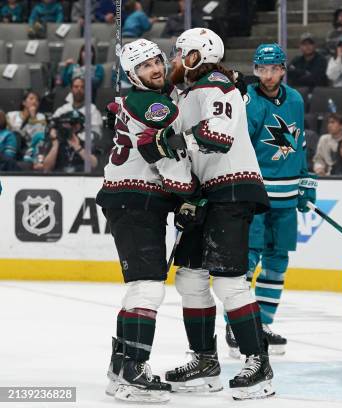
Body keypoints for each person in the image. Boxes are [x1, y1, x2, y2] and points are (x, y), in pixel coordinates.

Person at [140, 29, 274, 400]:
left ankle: (258, 364)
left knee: (229, 281)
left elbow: (218, 137)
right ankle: (204, 361)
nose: (174, 60)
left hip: (231, 190)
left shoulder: (215, 85)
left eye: (180, 54)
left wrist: (171, 141)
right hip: (208, 194)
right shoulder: (188, 92)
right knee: (190, 278)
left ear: (197, 56)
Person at [96, 39, 198, 403]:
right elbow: (168, 147)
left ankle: (121, 368)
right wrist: (191, 192)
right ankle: (134, 374)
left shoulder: (140, 100)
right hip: (135, 200)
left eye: (157, 61)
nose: (155, 68)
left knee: (140, 288)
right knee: (148, 287)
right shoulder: (150, 104)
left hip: (133, 200)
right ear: (132, 75)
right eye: (145, 66)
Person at [222, 42, 314, 363]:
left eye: (274, 69)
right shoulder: (250, 101)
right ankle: (236, 326)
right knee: (247, 261)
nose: (269, 75)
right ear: (255, 69)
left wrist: (306, 181)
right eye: (262, 69)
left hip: (287, 199)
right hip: (257, 195)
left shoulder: (297, 100)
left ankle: (261, 325)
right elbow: (239, 145)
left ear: (283, 69)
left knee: (277, 263)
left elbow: (299, 143)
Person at [7, 91, 46, 158]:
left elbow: (38, 137)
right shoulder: (11, 115)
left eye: (37, 100)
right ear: (24, 103)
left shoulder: (41, 117)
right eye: (31, 99)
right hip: (12, 146)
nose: (34, 102)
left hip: (30, 148)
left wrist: (33, 117)